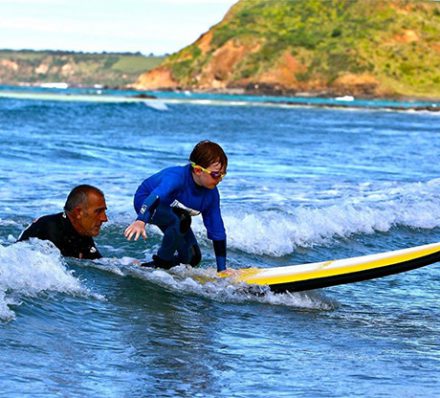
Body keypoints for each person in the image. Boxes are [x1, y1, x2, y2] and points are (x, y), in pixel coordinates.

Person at [124, 140, 228, 272]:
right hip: (146, 202)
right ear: (197, 170)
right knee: (181, 219)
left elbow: (217, 229)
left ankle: (147, 268)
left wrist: (222, 270)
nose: (219, 179)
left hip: (172, 212)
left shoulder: (211, 195)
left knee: (192, 258)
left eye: (223, 175)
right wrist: (141, 220)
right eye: (215, 174)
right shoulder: (176, 177)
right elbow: (155, 196)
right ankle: (162, 262)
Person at [18, 184, 108, 259]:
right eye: (98, 211)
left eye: (104, 211)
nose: (104, 218)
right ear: (78, 212)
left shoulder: (80, 230)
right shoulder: (49, 230)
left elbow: (98, 263)